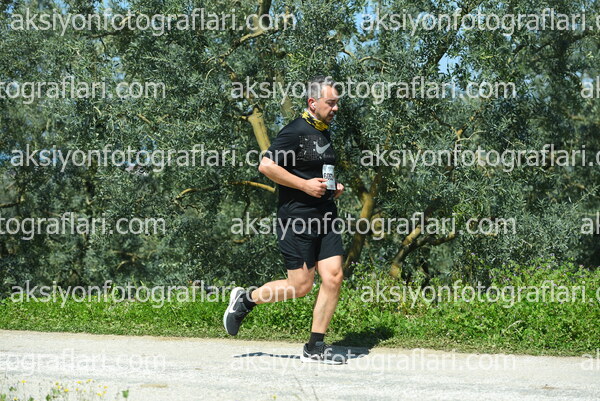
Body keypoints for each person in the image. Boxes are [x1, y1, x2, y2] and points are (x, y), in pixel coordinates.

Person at [223, 75, 346, 364]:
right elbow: (266, 166)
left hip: (326, 216)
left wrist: (333, 188)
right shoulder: (294, 131)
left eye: (337, 103)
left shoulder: (324, 132)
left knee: (334, 277)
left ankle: (314, 346)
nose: (335, 108)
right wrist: (304, 186)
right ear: (312, 103)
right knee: (300, 287)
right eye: (330, 103)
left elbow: (314, 172)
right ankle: (247, 299)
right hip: (297, 220)